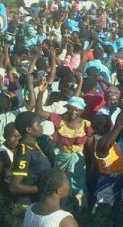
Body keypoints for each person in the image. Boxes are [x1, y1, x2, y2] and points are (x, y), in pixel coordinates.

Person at [35, 79, 94, 211]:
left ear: (81, 112)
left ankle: (80, 211)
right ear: (67, 108)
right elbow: (38, 111)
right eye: (71, 109)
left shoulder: (86, 125)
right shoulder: (59, 120)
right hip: (62, 156)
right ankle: (60, 209)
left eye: (77, 110)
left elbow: (89, 148)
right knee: (59, 184)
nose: (73, 113)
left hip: (79, 159)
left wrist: (91, 163)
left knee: (79, 185)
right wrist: (41, 92)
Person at [9, 112, 51, 226]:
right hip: (25, 207)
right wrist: (42, 188)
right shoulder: (24, 152)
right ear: (28, 129)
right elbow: (14, 187)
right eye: (38, 124)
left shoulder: (33, 145)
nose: (41, 126)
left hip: (35, 203)